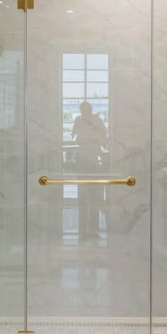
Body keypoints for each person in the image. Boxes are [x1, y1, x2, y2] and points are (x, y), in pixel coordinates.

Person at [71, 101, 107, 241]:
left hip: (88, 159)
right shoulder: (92, 120)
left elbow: (74, 136)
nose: (83, 112)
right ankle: (91, 228)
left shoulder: (85, 120)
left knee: (88, 194)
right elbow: (103, 137)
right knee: (92, 194)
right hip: (90, 159)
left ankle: (87, 229)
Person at [72, 101, 107, 171]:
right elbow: (74, 132)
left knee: (89, 169)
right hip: (85, 148)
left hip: (91, 148)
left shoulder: (95, 119)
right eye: (82, 110)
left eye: (84, 110)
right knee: (85, 169)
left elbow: (73, 132)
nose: (83, 112)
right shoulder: (79, 119)